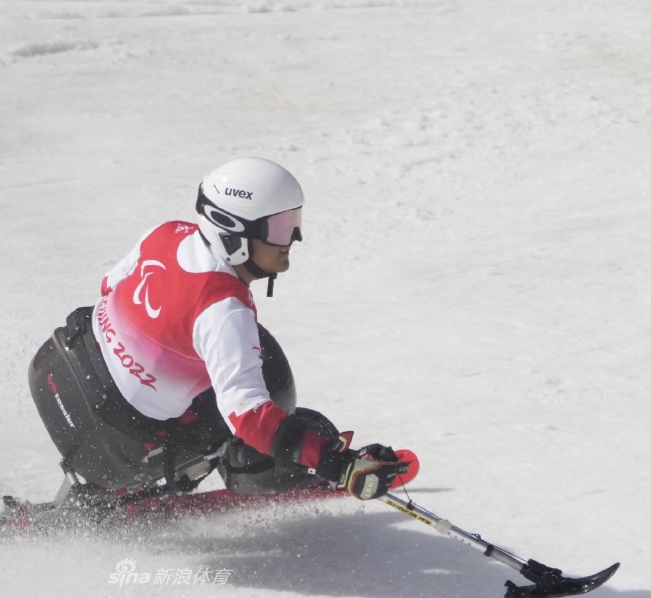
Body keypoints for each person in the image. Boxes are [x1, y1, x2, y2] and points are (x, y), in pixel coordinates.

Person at [28, 157, 407, 504]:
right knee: (271, 378)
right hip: (113, 453)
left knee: (233, 358)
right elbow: (251, 419)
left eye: (294, 223)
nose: (293, 240)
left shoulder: (168, 233)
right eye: (279, 228)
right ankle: (240, 471)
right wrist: (336, 464)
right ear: (234, 233)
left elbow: (108, 286)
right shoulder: (224, 313)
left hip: (55, 371)